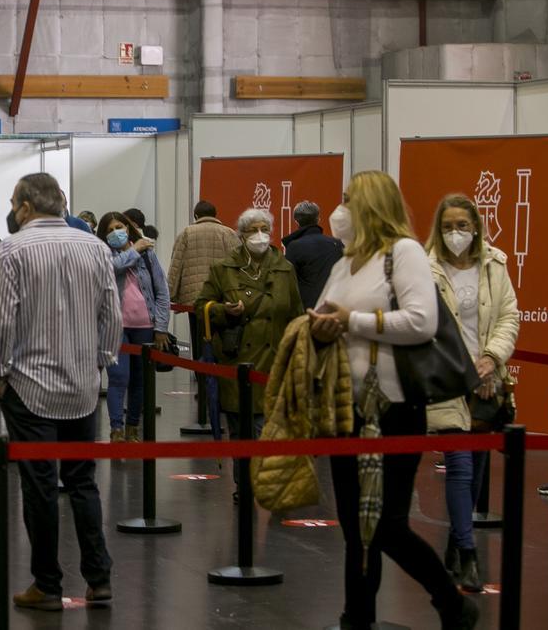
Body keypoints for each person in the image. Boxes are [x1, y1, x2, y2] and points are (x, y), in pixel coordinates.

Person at [311, 170, 479, 630]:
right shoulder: (344, 262)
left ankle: (451, 601)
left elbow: (421, 322)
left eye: (348, 200)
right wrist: (321, 327)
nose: (340, 209)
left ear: (370, 205)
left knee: (386, 525)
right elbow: (328, 314)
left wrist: (353, 320)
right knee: (353, 525)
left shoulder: (402, 254)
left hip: (393, 409)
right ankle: (357, 617)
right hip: (348, 408)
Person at [0, 172, 120, 611]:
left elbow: (3, 320)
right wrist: (99, 361)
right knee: (83, 483)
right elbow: (111, 314)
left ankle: (46, 584)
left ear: (25, 206)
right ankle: (99, 579)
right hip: (82, 384)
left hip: (29, 386)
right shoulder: (97, 248)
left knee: (39, 486)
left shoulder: (11, 249)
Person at [425, 194, 519, 593]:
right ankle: (468, 554)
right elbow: (423, 326)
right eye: (448, 226)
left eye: (463, 225)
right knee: (460, 467)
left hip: (486, 381)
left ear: (476, 226)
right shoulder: (425, 269)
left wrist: (491, 358)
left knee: (476, 472)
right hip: (447, 383)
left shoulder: (494, 264)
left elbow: (508, 316)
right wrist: (463, 369)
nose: (455, 233)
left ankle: (453, 540)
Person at [195, 208, 302, 490]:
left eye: (264, 229)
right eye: (253, 230)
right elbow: (200, 307)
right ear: (241, 235)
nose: (259, 236)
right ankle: (245, 487)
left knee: (270, 430)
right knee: (242, 430)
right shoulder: (223, 269)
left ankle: (272, 484)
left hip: (274, 363)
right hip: (237, 362)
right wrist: (222, 310)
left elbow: (295, 314)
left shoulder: (285, 269)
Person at [97, 212, 171, 442]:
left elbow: (162, 291)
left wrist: (161, 327)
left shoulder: (148, 254)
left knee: (140, 379)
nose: (115, 232)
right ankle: (116, 428)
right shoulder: (102, 254)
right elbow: (110, 270)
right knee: (118, 378)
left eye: (119, 227)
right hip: (114, 328)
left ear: (128, 228)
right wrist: (134, 250)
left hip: (145, 326)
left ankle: (132, 428)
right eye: (109, 230)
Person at [169, 200, 241, 429]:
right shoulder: (228, 233)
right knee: (221, 347)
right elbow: (237, 265)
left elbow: (176, 266)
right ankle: (220, 393)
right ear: (216, 213)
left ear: (195, 214)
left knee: (199, 347)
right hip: (221, 300)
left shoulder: (186, 234)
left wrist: (170, 294)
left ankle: (203, 391)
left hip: (194, 300)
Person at [282, 200, 345, 309]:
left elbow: (288, 282)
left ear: (296, 221)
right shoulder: (337, 244)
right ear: (318, 219)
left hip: (307, 309)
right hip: (334, 306)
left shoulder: (294, 247)